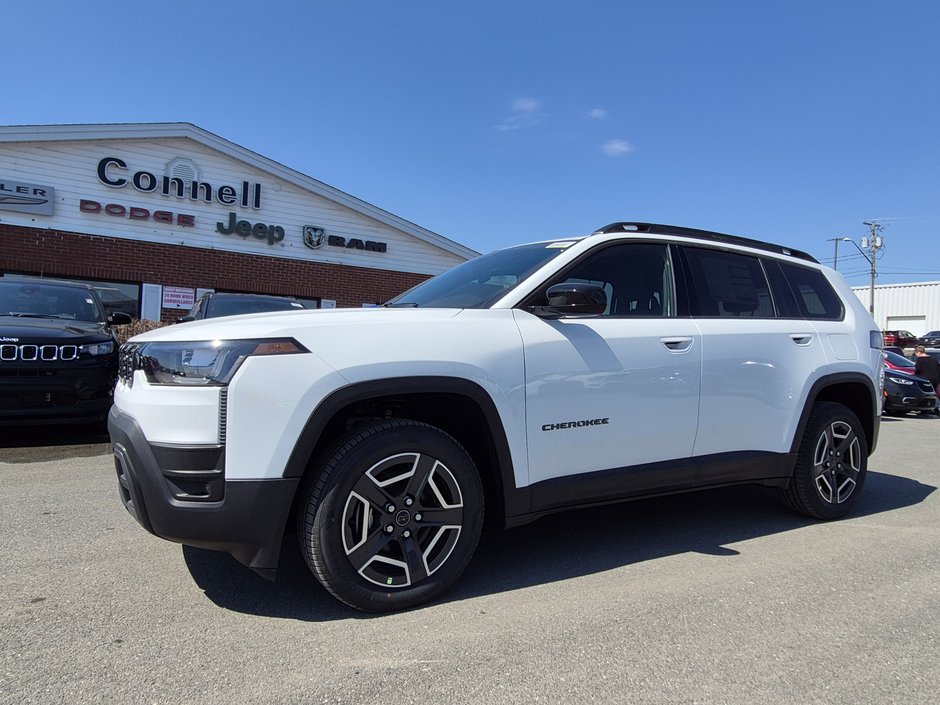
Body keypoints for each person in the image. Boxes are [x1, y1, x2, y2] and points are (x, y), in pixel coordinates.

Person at [912, 346, 940, 415]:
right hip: (936, 379)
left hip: (925, 379)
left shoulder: (920, 360)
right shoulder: (934, 359)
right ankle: (935, 408)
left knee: (925, 394)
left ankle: (924, 410)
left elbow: (917, 370)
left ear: (918, 352)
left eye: (916, 353)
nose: (916, 355)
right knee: (934, 394)